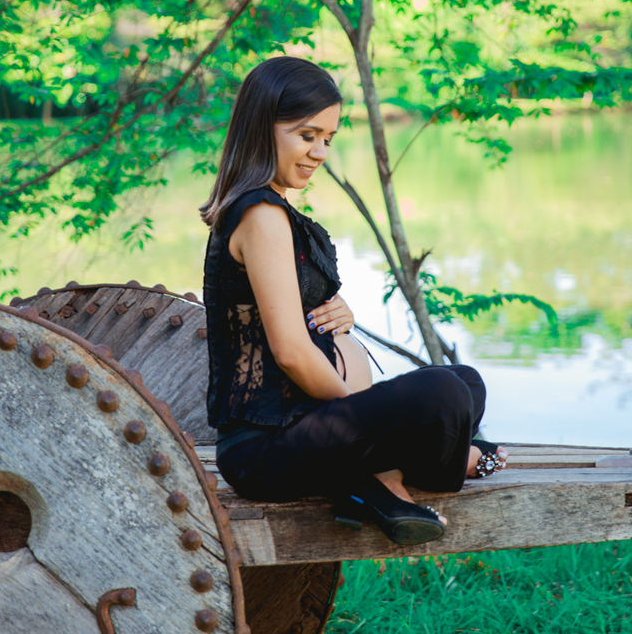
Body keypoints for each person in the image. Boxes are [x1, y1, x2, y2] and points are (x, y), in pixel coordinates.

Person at [200, 56, 506, 546]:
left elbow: (300, 318)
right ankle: (394, 474)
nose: (320, 151)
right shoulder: (259, 214)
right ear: (263, 128)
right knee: (442, 397)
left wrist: (341, 316)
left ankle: (369, 482)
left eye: (328, 138)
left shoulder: (275, 212)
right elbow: (291, 352)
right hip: (265, 448)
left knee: (462, 381)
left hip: (311, 425)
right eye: (306, 135)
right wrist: (370, 415)